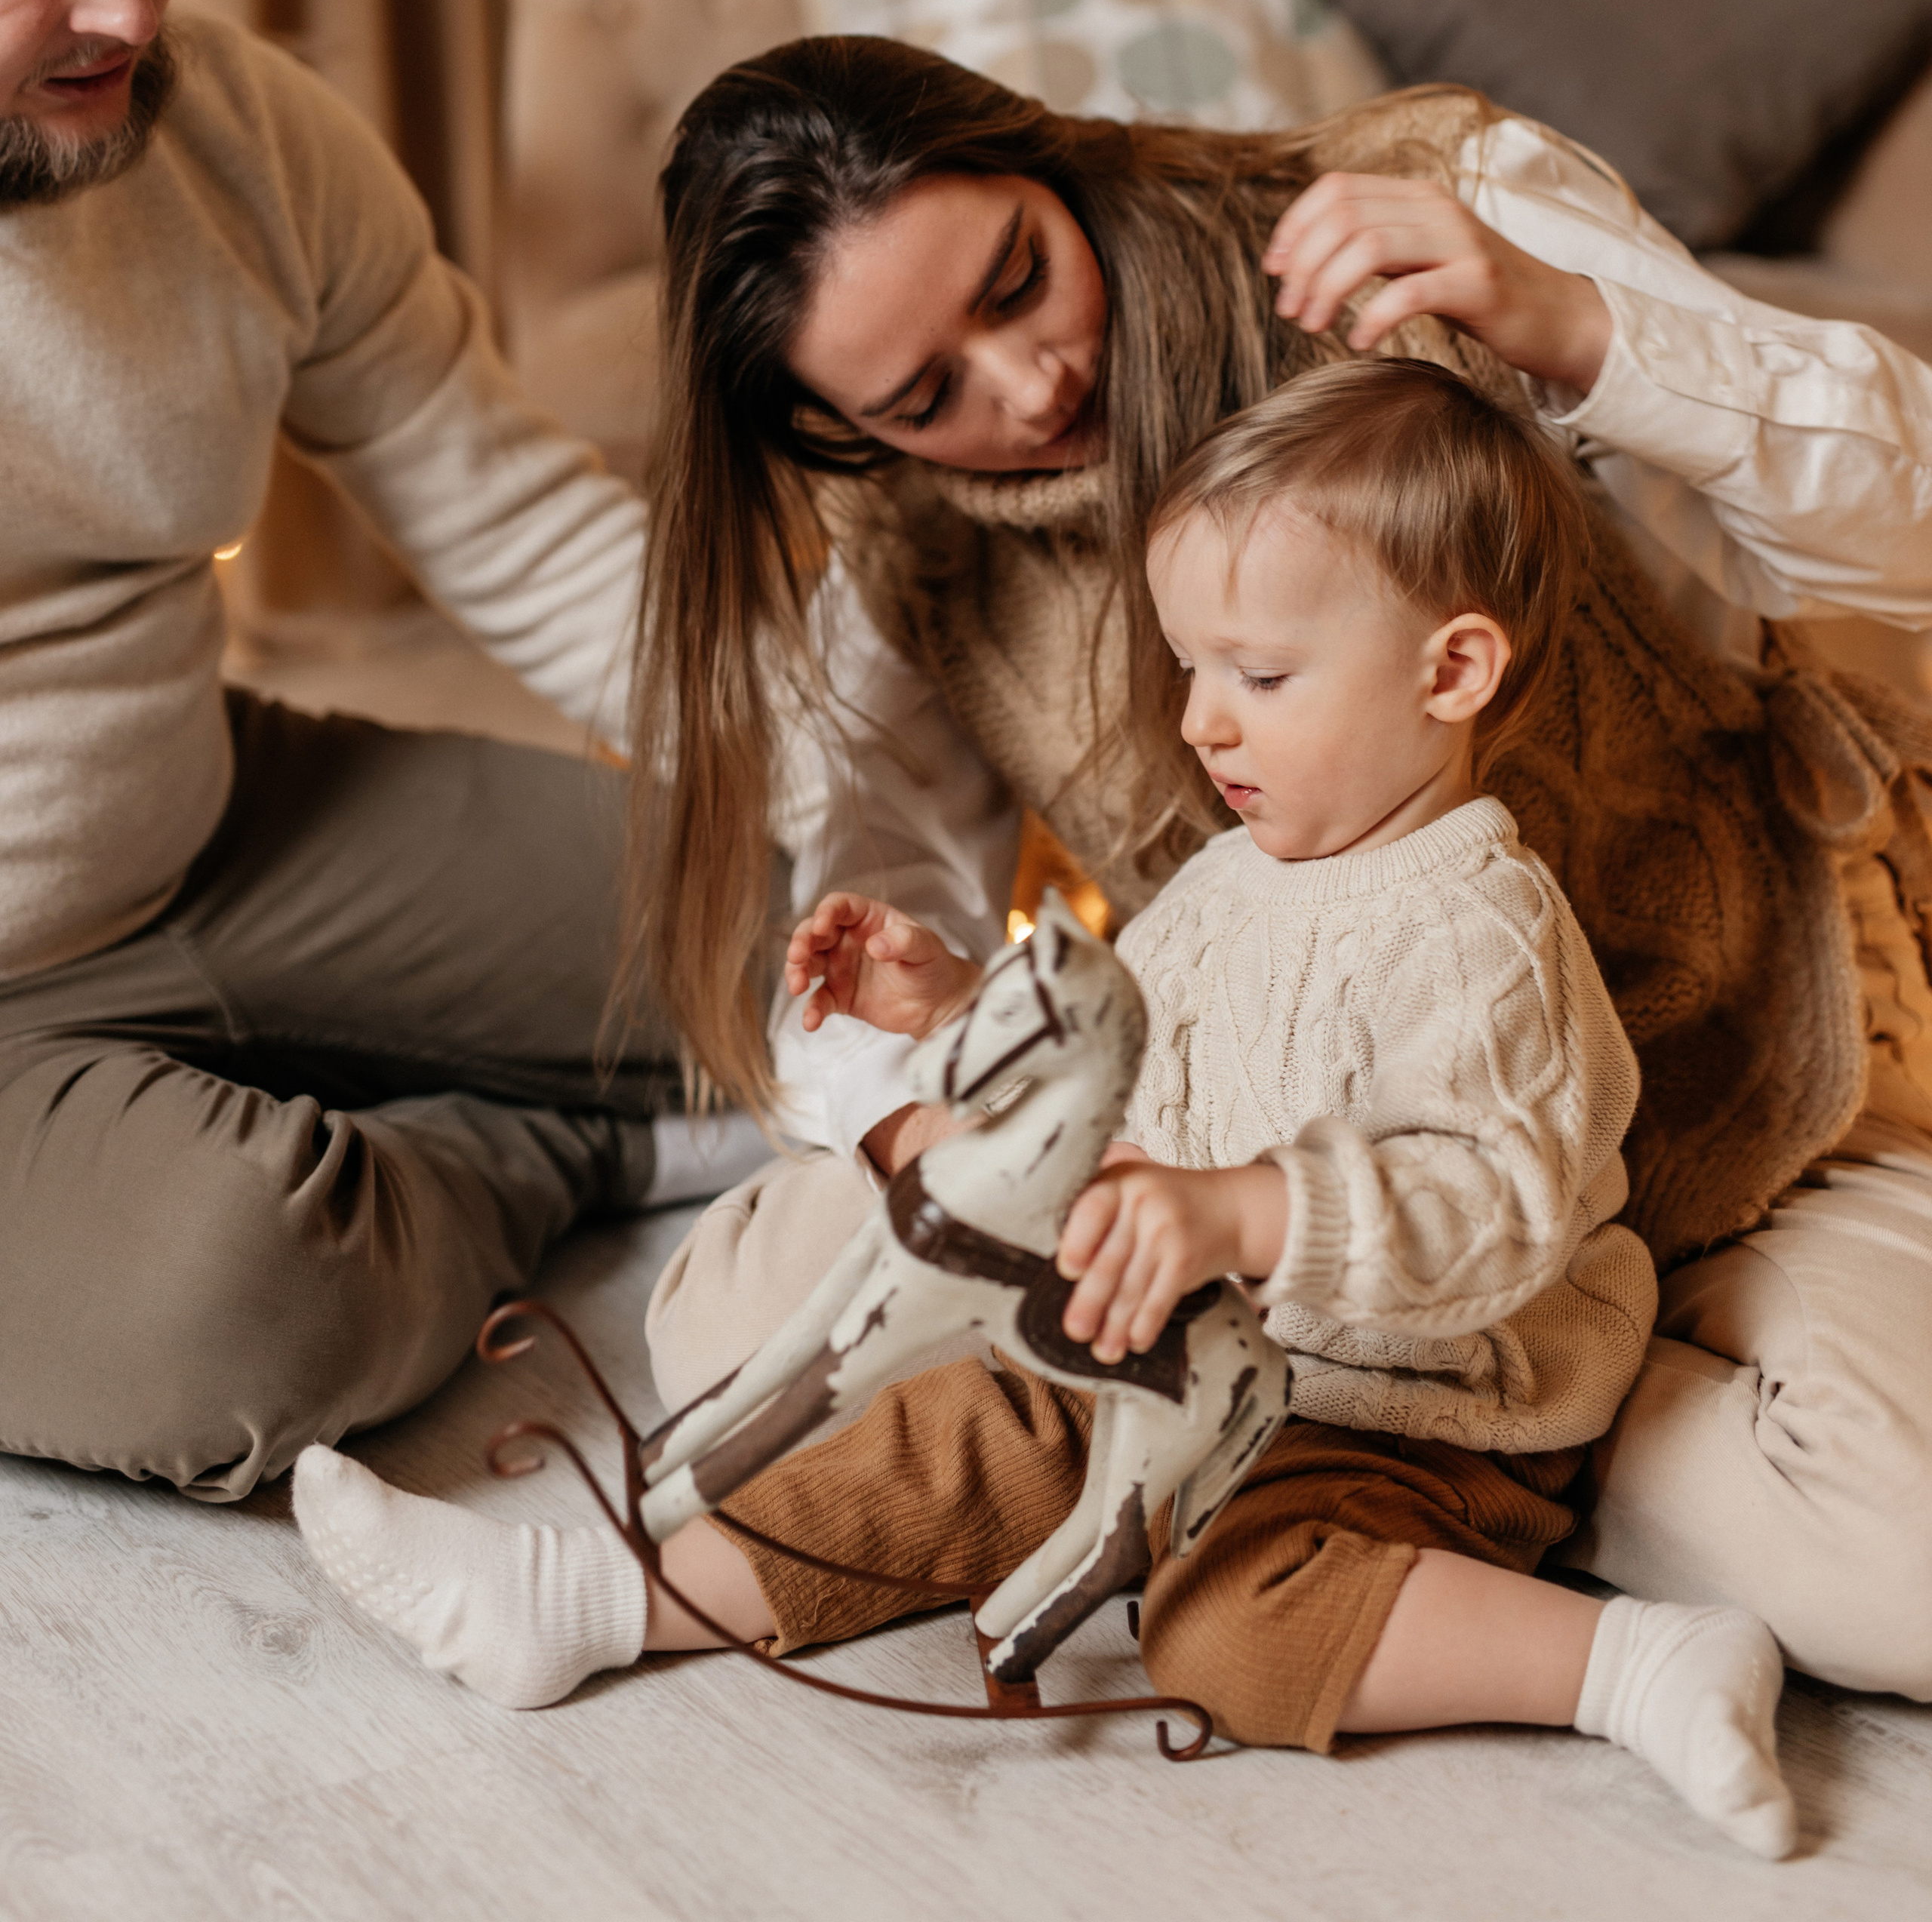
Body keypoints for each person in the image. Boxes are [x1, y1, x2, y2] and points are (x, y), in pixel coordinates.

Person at [291, 359, 1796, 1862]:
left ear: (1448, 674)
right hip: (1188, 1350)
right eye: (1189, 669)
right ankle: (588, 1598)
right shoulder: (1227, 880)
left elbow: (1495, 1210)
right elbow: (1121, 1070)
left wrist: (1241, 1212)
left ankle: (1631, 1666)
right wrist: (956, 1006)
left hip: (1407, 1411)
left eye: (1258, 679)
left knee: (1224, 1624)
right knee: (948, 1427)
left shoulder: (1479, 930)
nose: (1202, 722)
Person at [620, 35, 1932, 1704]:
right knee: (727, 1316)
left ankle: (1466, 1436)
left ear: (1041, 155)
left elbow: (1905, 529)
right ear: (837, 430)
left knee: (1904, 1557)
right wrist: (920, 1062)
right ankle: (1383, 1451)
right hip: (1261, 1190)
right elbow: (921, 926)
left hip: (1740, 1086)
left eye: (1017, 281)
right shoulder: (914, 551)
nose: (1022, 390)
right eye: (922, 398)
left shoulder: (1424, 217)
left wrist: (1574, 330)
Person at [0, 0, 760, 1505]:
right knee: (242, 1306)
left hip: (222, 826)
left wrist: (821, 768)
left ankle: (303, 1099)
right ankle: (546, 1153)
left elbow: (511, 514)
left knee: (816, 934)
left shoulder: (242, 137)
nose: (122, 5)